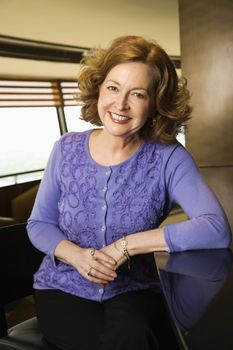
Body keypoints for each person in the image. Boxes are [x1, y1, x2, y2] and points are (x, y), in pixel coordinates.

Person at [27, 35, 231, 350]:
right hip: (62, 288)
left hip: (134, 289)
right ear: (99, 88)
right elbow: (39, 224)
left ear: (156, 103)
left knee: (134, 336)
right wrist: (77, 256)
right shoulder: (65, 148)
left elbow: (215, 229)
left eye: (137, 94)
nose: (120, 105)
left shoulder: (168, 157)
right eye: (113, 88)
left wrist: (125, 247)